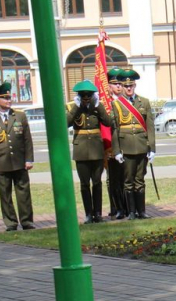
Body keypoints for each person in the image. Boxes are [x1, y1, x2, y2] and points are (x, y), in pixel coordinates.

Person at [0, 82, 34, 231]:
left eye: (9, 97)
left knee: (24, 192)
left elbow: (27, 140)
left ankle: (26, 221)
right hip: (1, 162)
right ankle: (11, 222)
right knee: (5, 195)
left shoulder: (20, 115)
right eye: (5, 98)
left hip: (19, 161)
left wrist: (29, 159)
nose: (8, 100)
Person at [111, 69, 156, 219]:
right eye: (126, 86)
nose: (129, 88)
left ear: (135, 86)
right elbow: (115, 129)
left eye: (131, 86)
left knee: (140, 180)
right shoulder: (116, 104)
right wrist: (116, 151)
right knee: (128, 181)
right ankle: (131, 212)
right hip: (126, 147)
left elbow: (150, 126)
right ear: (122, 87)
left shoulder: (144, 102)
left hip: (142, 146)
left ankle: (141, 211)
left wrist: (152, 147)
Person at [67, 80, 112, 224]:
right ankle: (88, 214)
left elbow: (108, 122)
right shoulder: (72, 107)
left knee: (97, 182)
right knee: (84, 184)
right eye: (84, 97)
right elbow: (66, 122)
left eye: (89, 96)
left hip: (96, 149)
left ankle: (98, 213)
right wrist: (77, 107)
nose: (87, 99)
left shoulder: (97, 106)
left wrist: (98, 107)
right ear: (79, 96)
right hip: (81, 150)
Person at [106, 67, 128, 218]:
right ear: (108, 86)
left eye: (120, 84)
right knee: (113, 179)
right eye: (115, 84)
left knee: (127, 178)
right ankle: (116, 207)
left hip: (127, 145)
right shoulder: (105, 103)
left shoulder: (129, 102)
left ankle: (128, 207)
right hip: (111, 147)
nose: (119, 87)